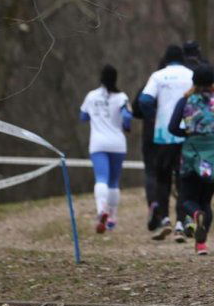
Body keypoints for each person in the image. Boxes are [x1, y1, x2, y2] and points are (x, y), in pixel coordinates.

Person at [167, 65, 214, 256]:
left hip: (192, 151)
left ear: (193, 81)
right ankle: (201, 244)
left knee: (187, 198)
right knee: (206, 200)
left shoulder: (185, 101)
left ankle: (195, 216)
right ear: (213, 82)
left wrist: (187, 133)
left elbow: (172, 127)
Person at [139, 44, 194, 242]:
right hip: (185, 133)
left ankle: (165, 219)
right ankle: (181, 222)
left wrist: (155, 117)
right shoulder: (190, 75)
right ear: (182, 58)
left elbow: (144, 100)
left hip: (163, 135)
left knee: (162, 179)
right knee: (182, 179)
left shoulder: (158, 76)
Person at [79, 64, 132, 234]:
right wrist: (127, 125)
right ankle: (112, 217)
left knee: (101, 178)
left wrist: (96, 115)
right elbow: (127, 116)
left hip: (98, 144)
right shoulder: (122, 97)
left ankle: (102, 209)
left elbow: (83, 116)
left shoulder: (91, 96)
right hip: (117, 143)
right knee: (113, 182)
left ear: (101, 78)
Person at [134, 56, 166, 232]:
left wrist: (150, 115)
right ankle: (166, 211)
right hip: (168, 134)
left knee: (151, 172)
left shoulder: (149, 86)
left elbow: (136, 108)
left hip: (149, 134)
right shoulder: (176, 86)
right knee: (166, 173)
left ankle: (153, 204)